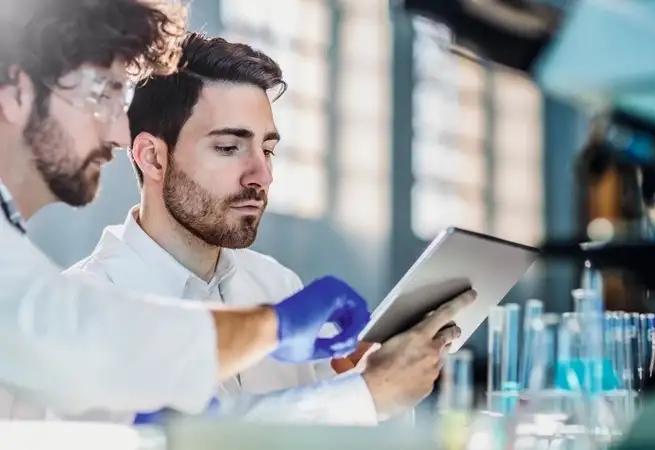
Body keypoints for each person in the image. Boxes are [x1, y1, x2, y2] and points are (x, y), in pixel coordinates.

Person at [56, 32, 476, 426]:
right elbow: (167, 438)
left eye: (268, 149)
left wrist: (369, 375)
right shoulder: (82, 308)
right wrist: (366, 395)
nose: (262, 176)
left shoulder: (278, 284)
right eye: (228, 147)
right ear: (152, 157)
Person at [0, 0, 373, 418]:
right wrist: (277, 328)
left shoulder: (277, 284)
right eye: (99, 94)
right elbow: (83, 336)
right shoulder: (80, 295)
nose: (119, 131)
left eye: (268, 150)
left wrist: (361, 381)